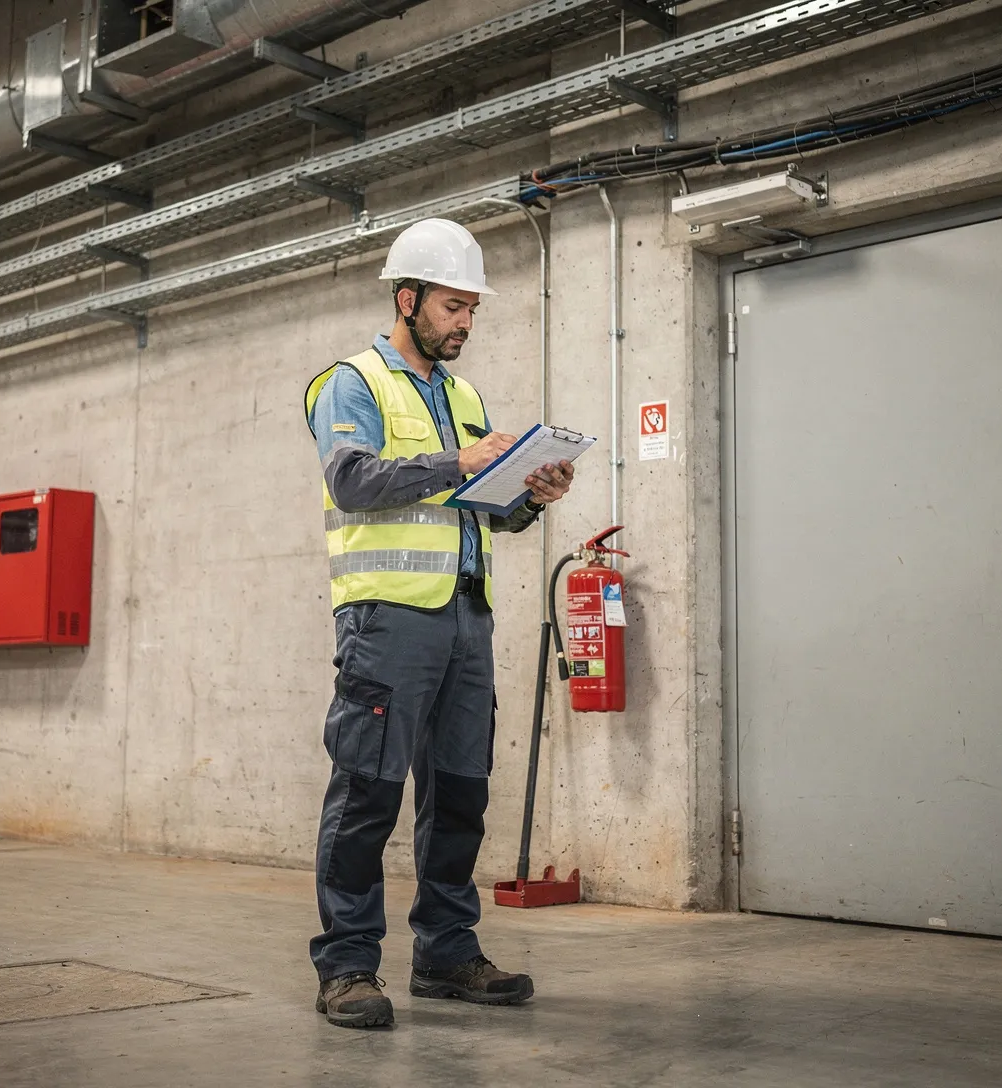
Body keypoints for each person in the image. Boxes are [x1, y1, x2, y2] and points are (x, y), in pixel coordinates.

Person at [301, 218, 574, 1029]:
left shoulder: (462, 396)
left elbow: (479, 508)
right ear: (407, 298)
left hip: (465, 618)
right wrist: (461, 460)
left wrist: (529, 494)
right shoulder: (351, 383)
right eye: (455, 307)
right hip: (387, 621)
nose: (465, 323)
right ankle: (347, 966)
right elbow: (353, 481)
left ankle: (446, 952)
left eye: (473, 310)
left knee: (460, 793)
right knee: (368, 791)